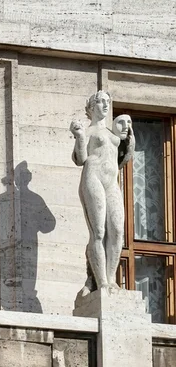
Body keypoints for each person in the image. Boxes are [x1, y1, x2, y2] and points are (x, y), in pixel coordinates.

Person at [70, 91, 134, 295]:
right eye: (101, 102)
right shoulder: (88, 131)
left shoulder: (113, 132)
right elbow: (80, 159)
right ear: (91, 107)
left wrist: (129, 140)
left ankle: (111, 278)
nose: (106, 105)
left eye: (108, 102)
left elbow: (122, 159)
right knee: (98, 232)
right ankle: (102, 281)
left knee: (117, 230)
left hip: (111, 182)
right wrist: (79, 136)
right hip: (93, 178)